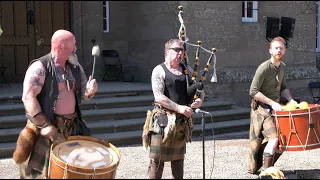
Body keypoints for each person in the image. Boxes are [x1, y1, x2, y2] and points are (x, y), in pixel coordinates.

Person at [13, 29, 98, 179]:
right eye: (73, 44)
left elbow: (84, 94)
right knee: (37, 173)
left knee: (71, 171)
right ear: (61, 46)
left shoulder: (75, 67)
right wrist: (44, 125)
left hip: (72, 126)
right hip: (46, 126)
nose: (76, 48)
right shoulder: (40, 67)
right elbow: (28, 98)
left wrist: (90, 91)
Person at [145, 39, 205, 179]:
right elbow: (158, 97)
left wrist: (199, 101)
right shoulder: (159, 70)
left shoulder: (188, 70)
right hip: (163, 121)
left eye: (182, 50)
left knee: (178, 160)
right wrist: (179, 108)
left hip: (181, 122)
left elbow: (200, 90)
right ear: (167, 52)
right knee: (157, 160)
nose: (180, 53)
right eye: (177, 50)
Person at [248, 36, 297, 174]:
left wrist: (291, 100)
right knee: (274, 138)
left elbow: (284, 87)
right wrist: (272, 103)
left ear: (285, 51)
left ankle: (267, 168)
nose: (279, 50)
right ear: (270, 51)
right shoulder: (264, 68)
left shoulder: (282, 67)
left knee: (283, 139)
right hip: (261, 109)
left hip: (276, 109)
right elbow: (253, 91)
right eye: (276, 48)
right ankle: (268, 172)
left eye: (281, 48)